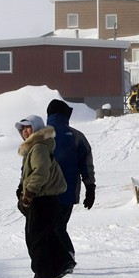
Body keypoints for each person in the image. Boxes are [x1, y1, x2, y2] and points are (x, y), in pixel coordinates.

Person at [15, 115, 75, 278]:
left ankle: (45, 274)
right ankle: (61, 263)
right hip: (44, 199)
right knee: (45, 235)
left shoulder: (39, 147)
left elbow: (41, 172)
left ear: (36, 128)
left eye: (28, 127)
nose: (25, 131)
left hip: (42, 199)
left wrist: (29, 194)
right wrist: (22, 189)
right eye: (22, 129)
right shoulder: (35, 148)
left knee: (36, 239)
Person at [46, 99, 96, 265]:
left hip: (44, 191)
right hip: (69, 191)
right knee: (59, 226)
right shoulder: (76, 136)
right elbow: (86, 164)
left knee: (51, 227)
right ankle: (61, 257)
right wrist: (90, 188)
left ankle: (66, 258)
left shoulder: (40, 135)